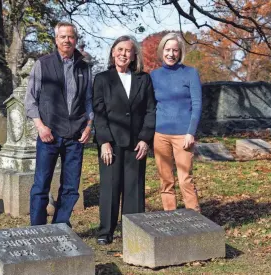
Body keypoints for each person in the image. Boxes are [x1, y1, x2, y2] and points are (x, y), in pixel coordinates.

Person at [25, 22, 93, 226]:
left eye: (70, 37)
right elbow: (30, 100)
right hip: (49, 135)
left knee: (71, 187)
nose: (67, 40)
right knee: (41, 185)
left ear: (76, 40)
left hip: (76, 136)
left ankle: (60, 225)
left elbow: (89, 100)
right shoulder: (43, 64)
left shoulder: (84, 67)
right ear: (56, 40)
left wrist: (89, 126)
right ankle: (37, 229)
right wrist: (41, 127)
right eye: (62, 37)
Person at [93, 35, 156, 245]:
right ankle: (106, 232)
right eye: (119, 49)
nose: (123, 54)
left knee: (134, 188)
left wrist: (145, 139)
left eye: (127, 50)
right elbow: (99, 113)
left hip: (137, 143)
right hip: (110, 143)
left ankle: (134, 231)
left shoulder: (143, 79)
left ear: (133, 55)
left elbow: (150, 110)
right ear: (113, 52)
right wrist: (104, 142)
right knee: (110, 187)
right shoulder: (102, 79)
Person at [150, 32, 202, 212]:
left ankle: (195, 221)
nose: (171, 54)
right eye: (167, 49)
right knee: (166, 180)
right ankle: (171, 218)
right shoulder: (154, 76)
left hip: (183, 135)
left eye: (175, 50)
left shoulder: (190, 73)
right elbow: (151, 105)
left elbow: (197, 104)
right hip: (160, 135)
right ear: (161, 50)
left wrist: (191, 132)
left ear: (180, 53)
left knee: (185, 179)